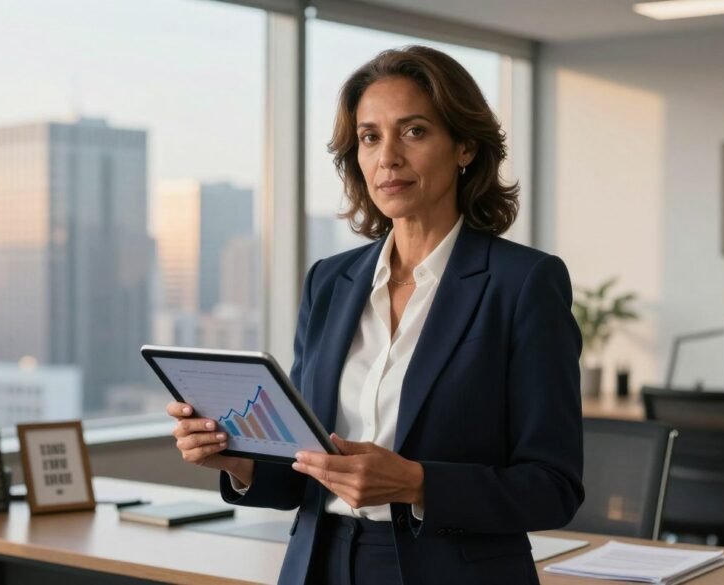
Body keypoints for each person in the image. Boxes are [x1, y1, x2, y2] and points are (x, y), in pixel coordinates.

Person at [166, 45, 583, 585]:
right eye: (370, 137)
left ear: (464, 146)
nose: (388, 157)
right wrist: (237, 461)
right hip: (320, 563)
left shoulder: (523, 283)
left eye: (413, 132)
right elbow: (302, 469)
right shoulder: (330, 281)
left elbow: (553, 488)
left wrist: (417, 483)